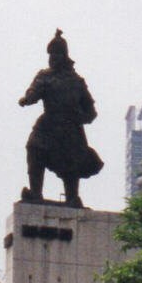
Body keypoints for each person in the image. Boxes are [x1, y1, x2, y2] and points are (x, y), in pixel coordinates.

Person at [18, 29, 103, 207]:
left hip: (71, 129)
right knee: (34, 148)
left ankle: (72, 197)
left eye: (56, 53)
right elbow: (34, 92)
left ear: (64, 55)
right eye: (50, 54)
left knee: (70, 164)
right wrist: (27, 99)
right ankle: (35, 192)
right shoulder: (44, 76)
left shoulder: (76, 81)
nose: (53, 57)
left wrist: (79, 118)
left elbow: (91, 111)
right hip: (48, 124)